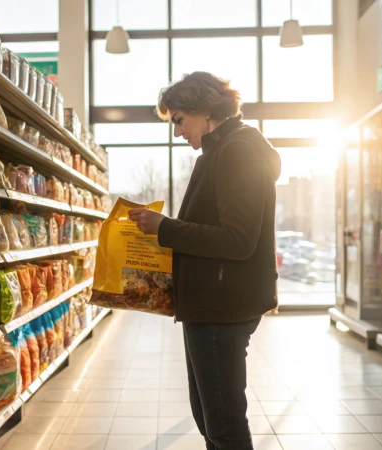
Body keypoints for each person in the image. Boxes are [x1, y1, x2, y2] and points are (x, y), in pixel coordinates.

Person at [128, 72, 281, 450]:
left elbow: (239, 238)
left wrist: (166, 228)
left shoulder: (237, 151)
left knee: (223, 424)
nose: (177, 132)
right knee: (211, 417)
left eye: (179, 120)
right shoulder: (222, 151)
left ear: (205, 109)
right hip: (213, 304)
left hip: (221, 307)